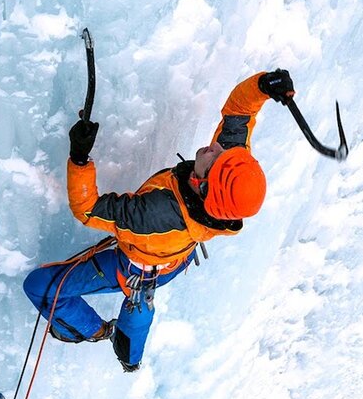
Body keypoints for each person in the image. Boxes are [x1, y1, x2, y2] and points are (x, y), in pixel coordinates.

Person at [22, 69, 295, 372]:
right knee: (140, 306)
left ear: (202, 186)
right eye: (224, 152)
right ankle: (129, 356)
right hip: (175, 260)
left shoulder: (154, 214)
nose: (215, 147)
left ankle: (94, 330)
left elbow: (87, 209)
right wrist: (263, 85)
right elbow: (240, 111)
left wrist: (79, 159)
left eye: (216, 158)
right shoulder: (229, 176)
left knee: (39, 287)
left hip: (134, 264)